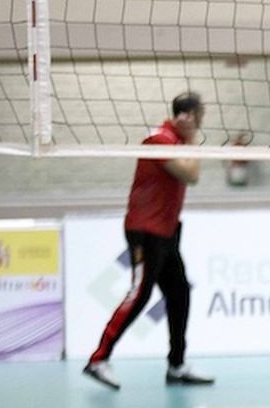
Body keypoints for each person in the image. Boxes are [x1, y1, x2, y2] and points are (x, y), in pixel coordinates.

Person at [83, 92, 215, 390]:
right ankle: (98, 359)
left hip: (167, 231)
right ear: (190, 116)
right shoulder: (159, 139)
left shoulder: (177, 142)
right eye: (199, 118)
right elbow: (191, 175)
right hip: (146, 231)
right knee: (139, 293)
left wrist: (190, 142)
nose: (199, 124)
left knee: (179, 292)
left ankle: (177, 365)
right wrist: (193, 141)